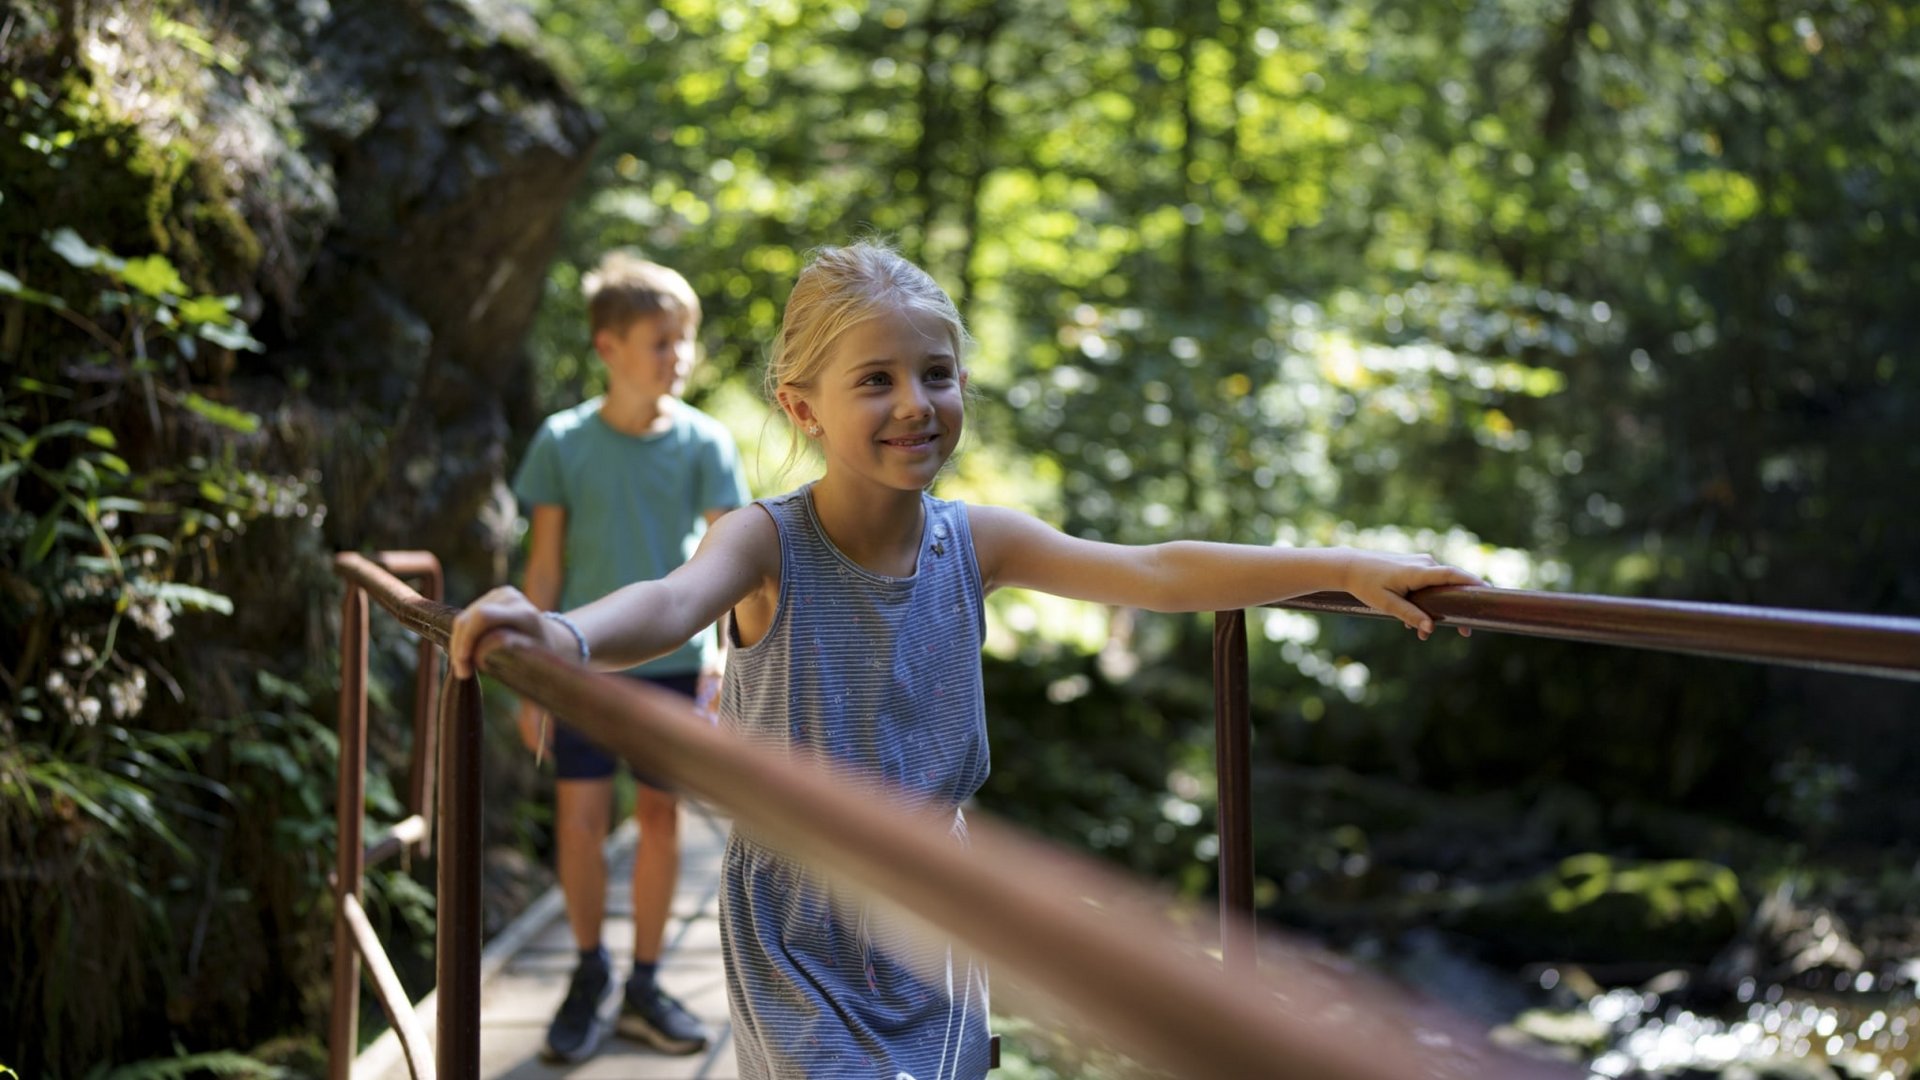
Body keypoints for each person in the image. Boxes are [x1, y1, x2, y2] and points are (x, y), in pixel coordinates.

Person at [453, 241, 1479, 1079]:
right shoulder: (767, 542)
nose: (915, 403)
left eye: (936, 375)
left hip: (936, 904)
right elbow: (671, 601)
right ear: (803, 406)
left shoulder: (974, 541)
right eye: (876, 380)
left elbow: (1154, 569)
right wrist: (561, 634)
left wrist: (1343, 568)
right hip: (800, 916)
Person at [509, 251, 749, 1062]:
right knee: (580, 821)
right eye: (661, 341)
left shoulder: (706, 443)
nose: (679, 356)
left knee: (658, 817)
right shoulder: (563, 441)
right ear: (608, 347)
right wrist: (532, 679)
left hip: (674, 665)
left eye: (685, 339)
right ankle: (589, 973)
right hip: (579, 665)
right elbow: (544, 569)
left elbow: (733, 567)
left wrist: (721, 665)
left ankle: (645, 984)